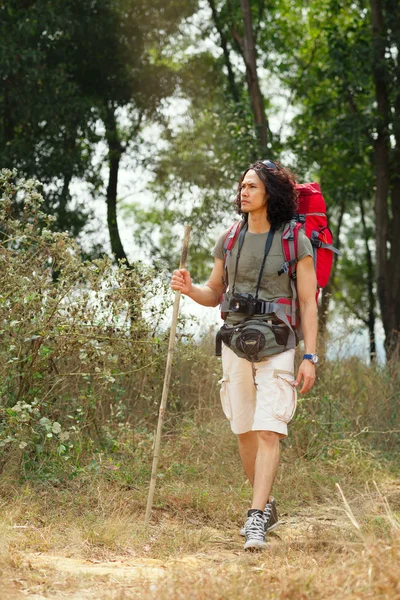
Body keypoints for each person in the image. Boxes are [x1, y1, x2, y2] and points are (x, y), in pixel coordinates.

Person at [170, 160, 318, 550]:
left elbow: (308, 301)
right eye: (242, 186)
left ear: (270, 192)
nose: (244, 192)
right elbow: (213, 293)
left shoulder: (294, 239)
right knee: (244, 431)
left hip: (279, 344)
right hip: (235, 341)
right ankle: (266, 505)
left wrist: (311, 356)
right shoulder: (230, 238)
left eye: (252, 186)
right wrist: (189, 289)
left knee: (270, 429)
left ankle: (254, 520)